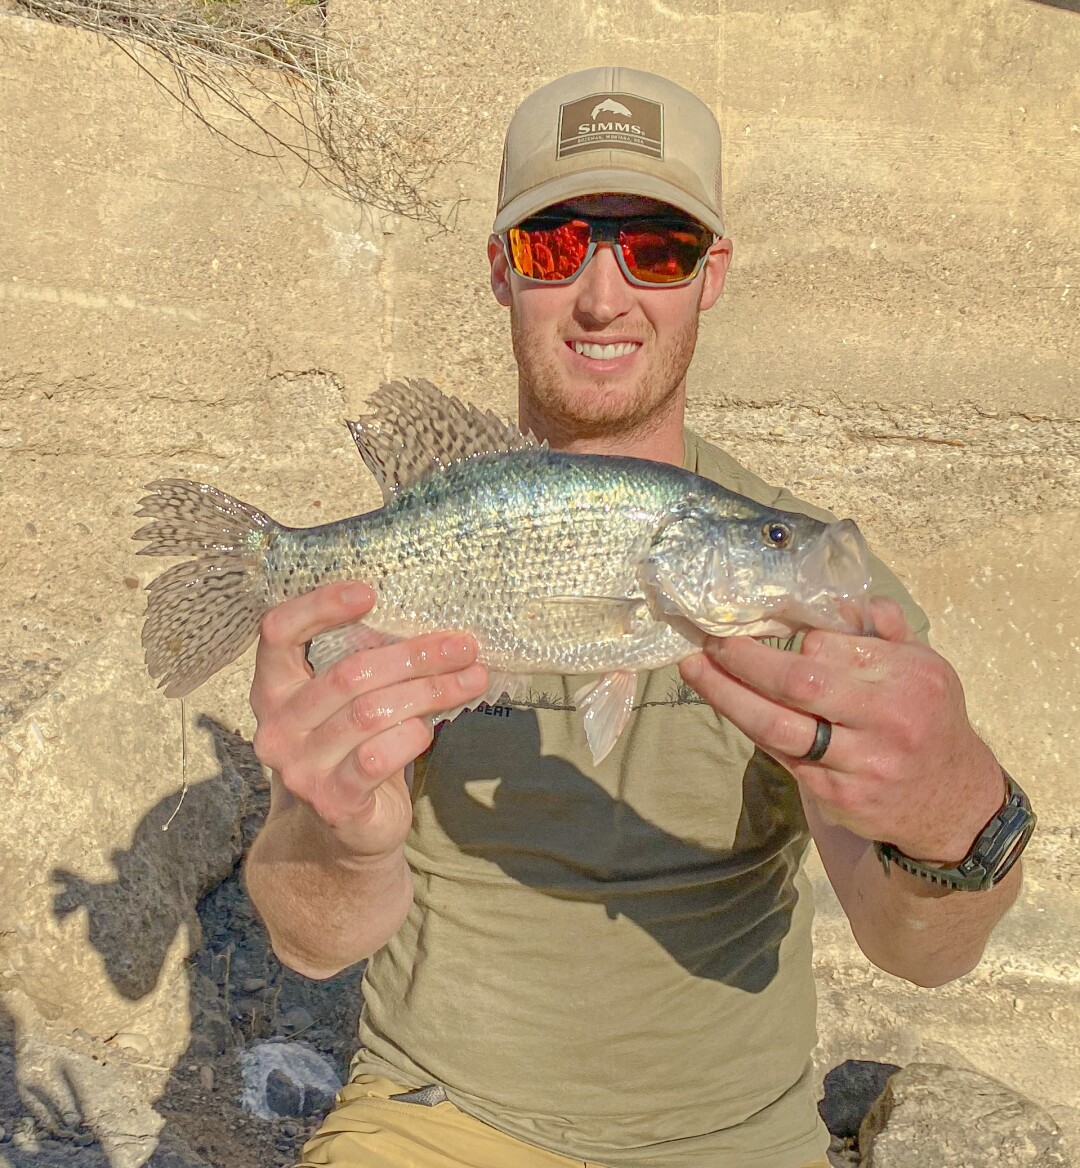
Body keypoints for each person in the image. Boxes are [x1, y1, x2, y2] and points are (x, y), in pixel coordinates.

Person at [244, 68, 1034, 1168]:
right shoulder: (385, 588)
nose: (604, 298)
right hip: (435, 1116)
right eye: (556, 245)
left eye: (657, 249)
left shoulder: (818, 591)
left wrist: (957, 818)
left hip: (733, 1141)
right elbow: (311, 941)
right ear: (501, 270)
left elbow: (922, 954)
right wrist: (337, 832)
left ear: (711, 275)